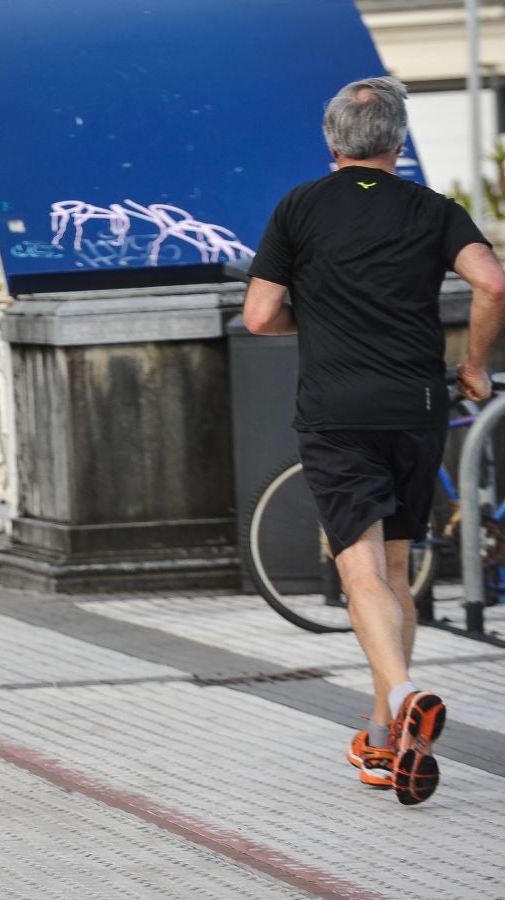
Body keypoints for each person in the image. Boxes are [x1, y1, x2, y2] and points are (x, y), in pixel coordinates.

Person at [243, 75, 505, 806]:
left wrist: (318, 319)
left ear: (332, 143)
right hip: (417, 408)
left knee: (359, 575)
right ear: (398, 141)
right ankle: (387, 741)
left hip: (337, 412)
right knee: (395, 576)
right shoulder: (433, 209)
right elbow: (493, 283)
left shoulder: (300, 207)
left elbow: (260, 317)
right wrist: (475, 367)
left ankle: (408, 692)